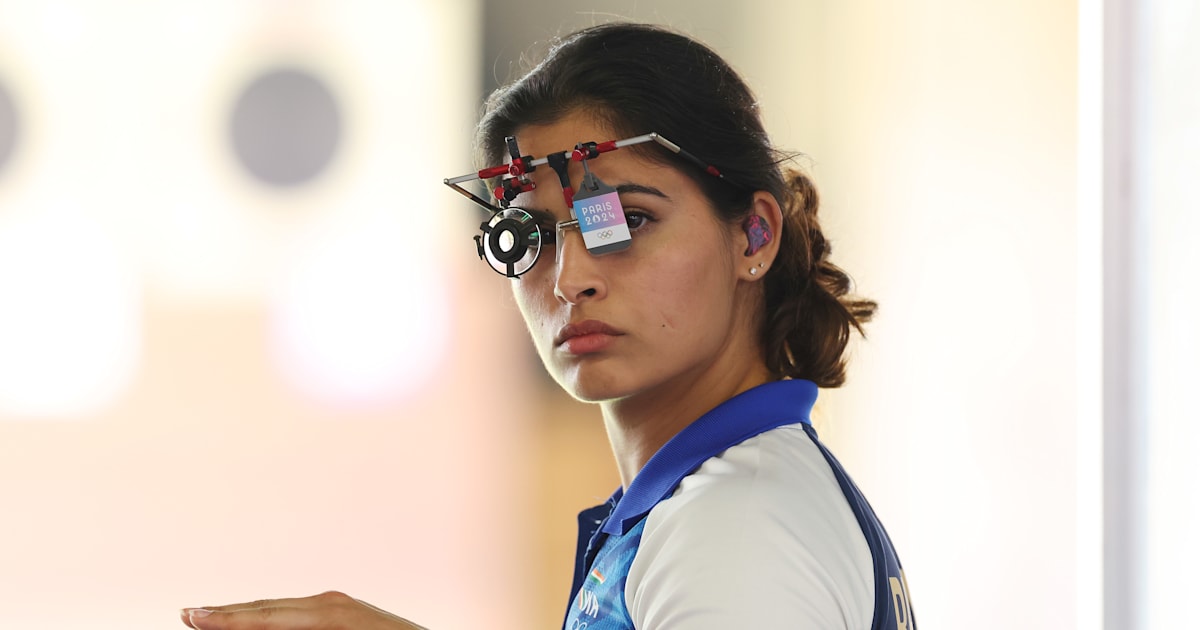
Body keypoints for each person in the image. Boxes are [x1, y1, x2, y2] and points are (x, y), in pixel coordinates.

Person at [180, 22, 916, 630]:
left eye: (624, 220)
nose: (569, 278)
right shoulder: (709, 504)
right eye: (527, 235)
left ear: (753, 237)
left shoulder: (738, 529)